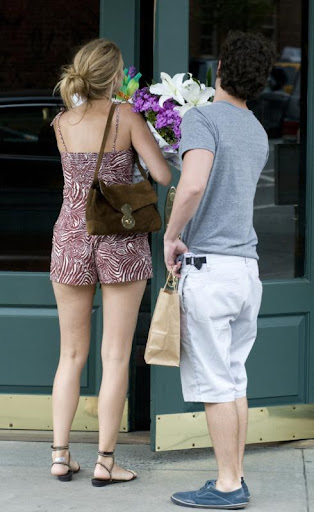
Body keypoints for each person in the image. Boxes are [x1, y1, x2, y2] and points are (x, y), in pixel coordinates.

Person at [50, 38, 171, 485]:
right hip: (118, 237)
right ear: (115, 76)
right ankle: (105, 461)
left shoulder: (62, 122)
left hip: (70, 237)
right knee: (115, 354)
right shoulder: (125, 117)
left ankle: (60, 456)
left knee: (71, 354)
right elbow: (161, 175)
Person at [164, 31, 275, 509]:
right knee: (234, 380)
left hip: (210, 270)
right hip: (247, 272)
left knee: (215, 385)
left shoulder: (202, 117)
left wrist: (171, 236)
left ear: (220, 71)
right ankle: (236, 476)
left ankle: (228, 485)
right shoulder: (257, 129)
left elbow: (191, 187)